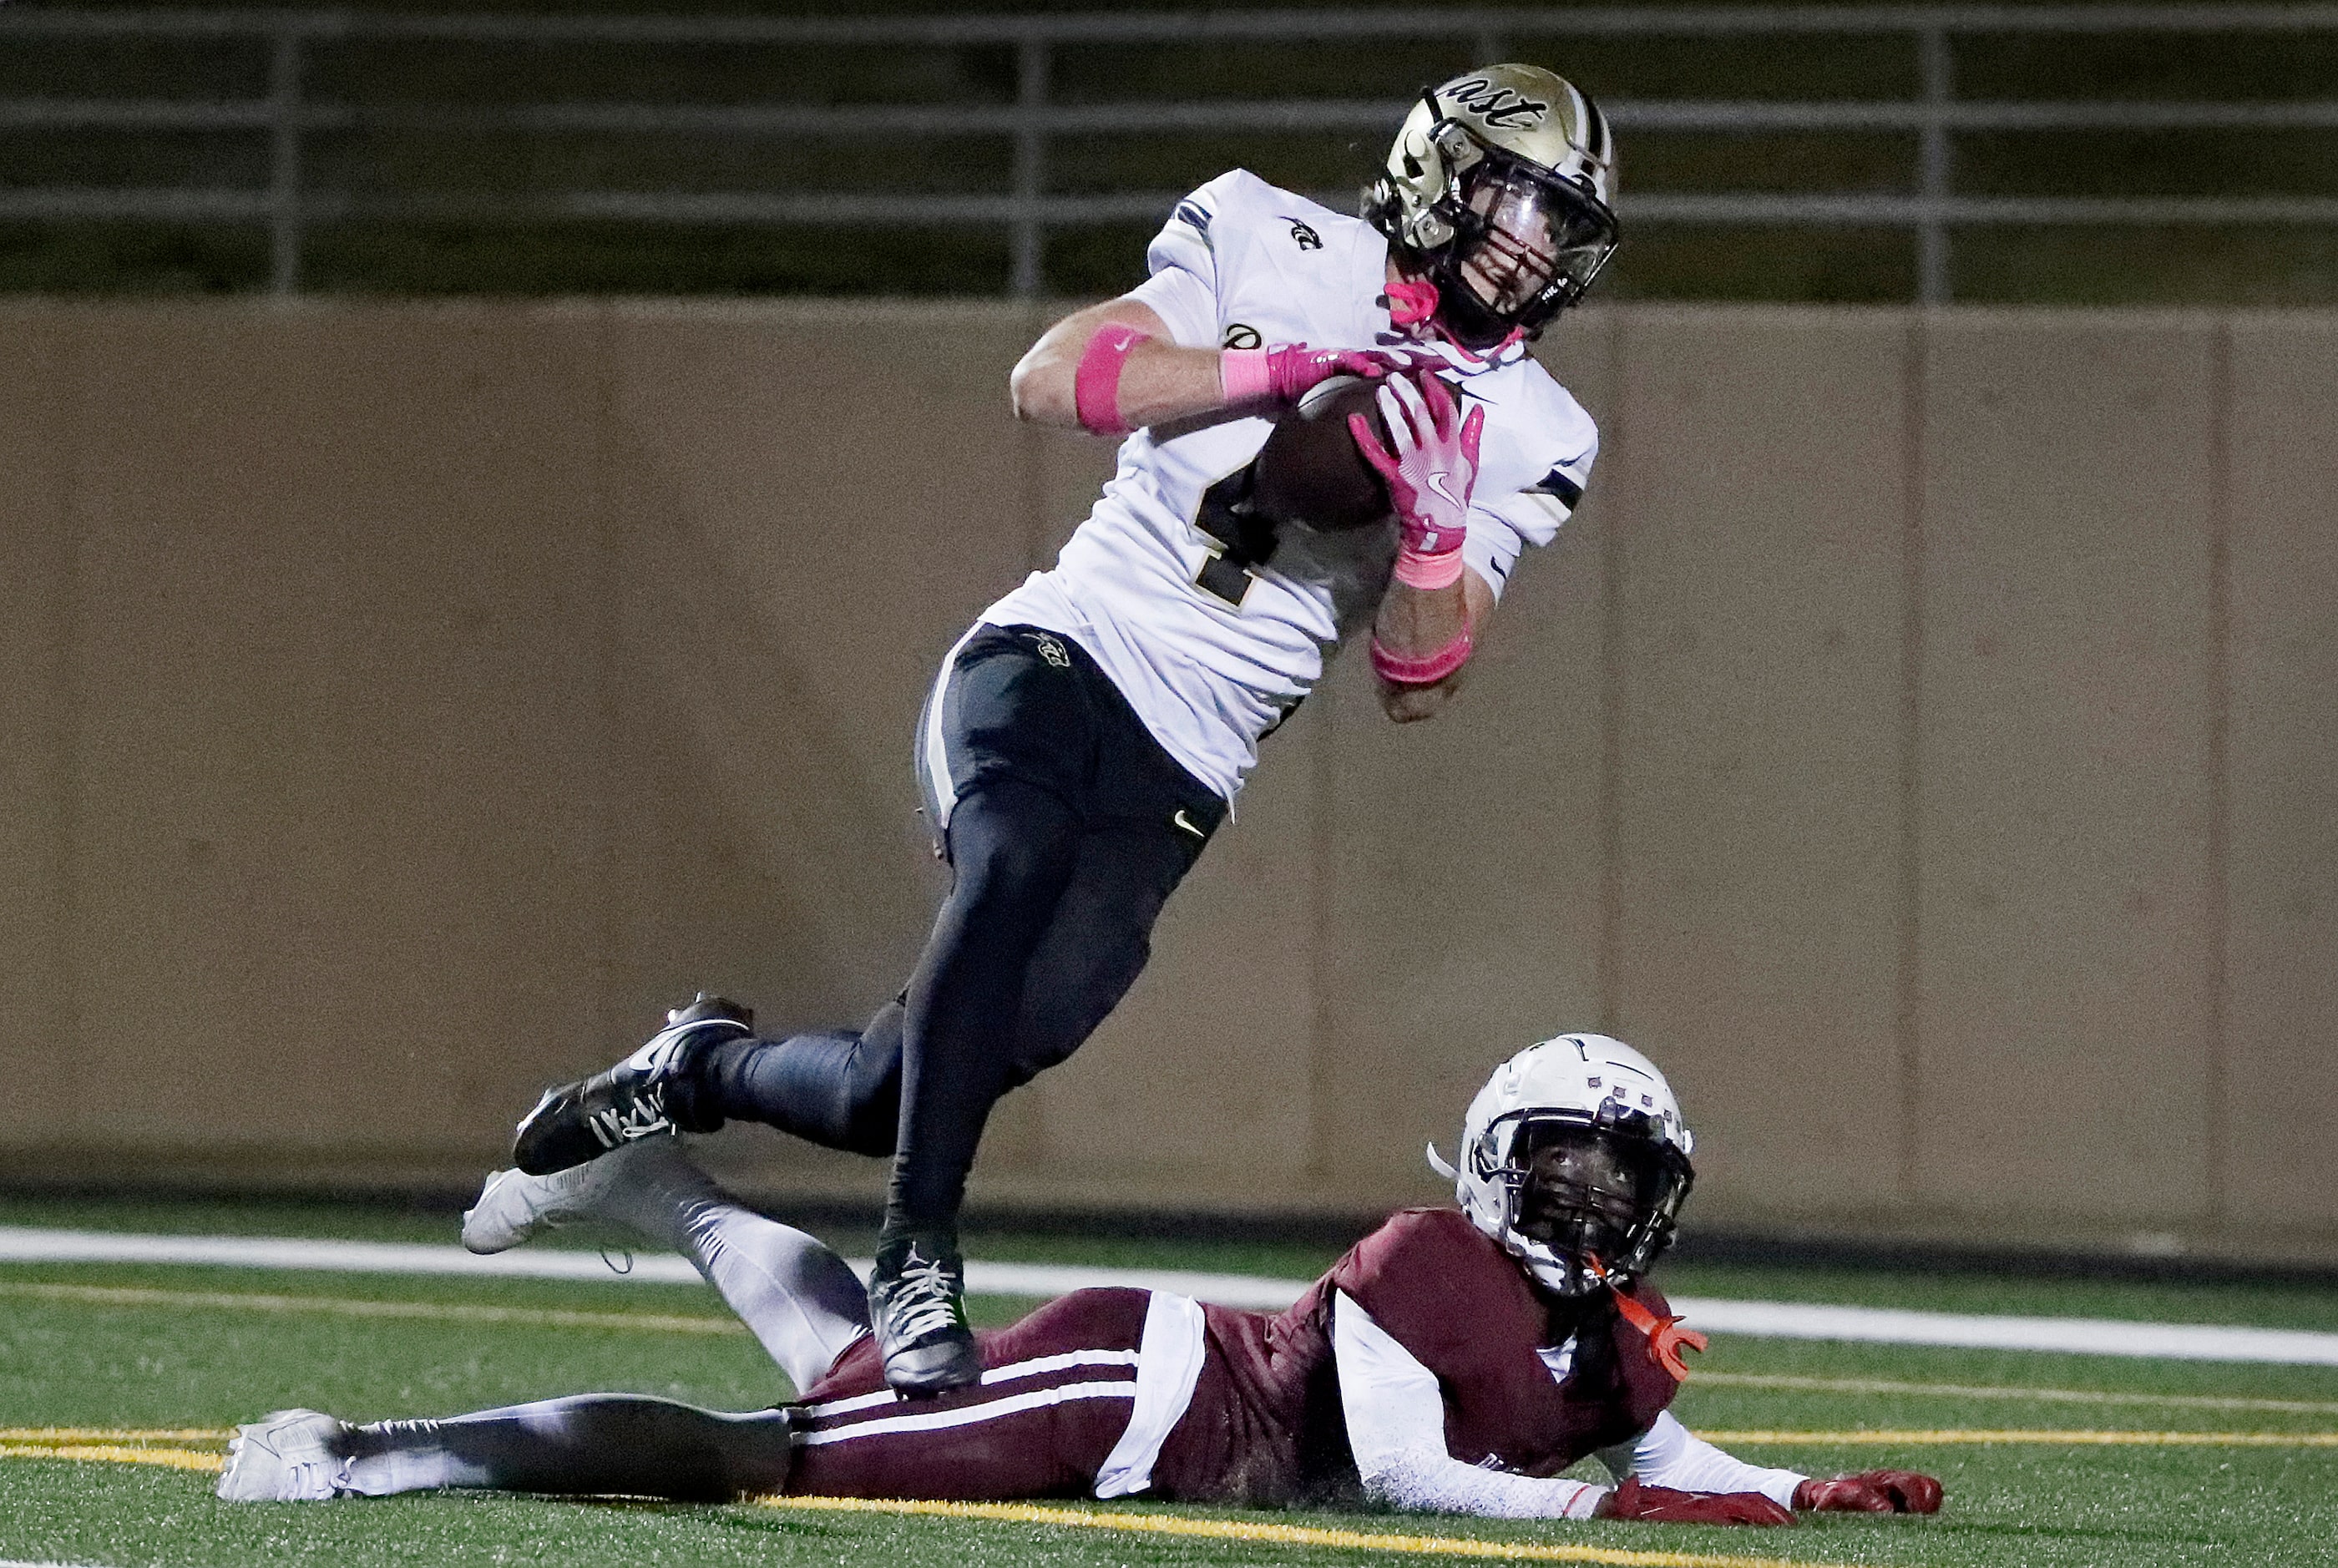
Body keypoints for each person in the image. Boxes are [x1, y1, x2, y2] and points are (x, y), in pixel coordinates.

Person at [509, 65, 1631, 1395]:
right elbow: (1048, 378)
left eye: (1558, 223)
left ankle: (695, 1068)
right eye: (1513, 200)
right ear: (1438, 170)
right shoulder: (1268, 231)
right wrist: (1280, 370)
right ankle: (918, 1259)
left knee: (904, 1082)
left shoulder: (1538, 428)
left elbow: (1417, 673)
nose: (1530, 244)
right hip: (1062, 648)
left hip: (1189, 759)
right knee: (1015, 857)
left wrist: (1435, 525)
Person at [220, 1034, 1941, 1527]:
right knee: (775, 1455)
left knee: (840, 1379)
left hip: (1144, 1411)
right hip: (1135, 1396)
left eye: (1625, 1175)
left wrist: (1799, 1492)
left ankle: (662, 1178)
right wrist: (1602, 1528)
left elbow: (1657, 1455)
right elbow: (1413, 1473)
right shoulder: (1429, 1258)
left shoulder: (1602, 1333)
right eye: (1572, 1164)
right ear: (1500, 1167)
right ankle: (360, 1454)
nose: (1600, 1201)